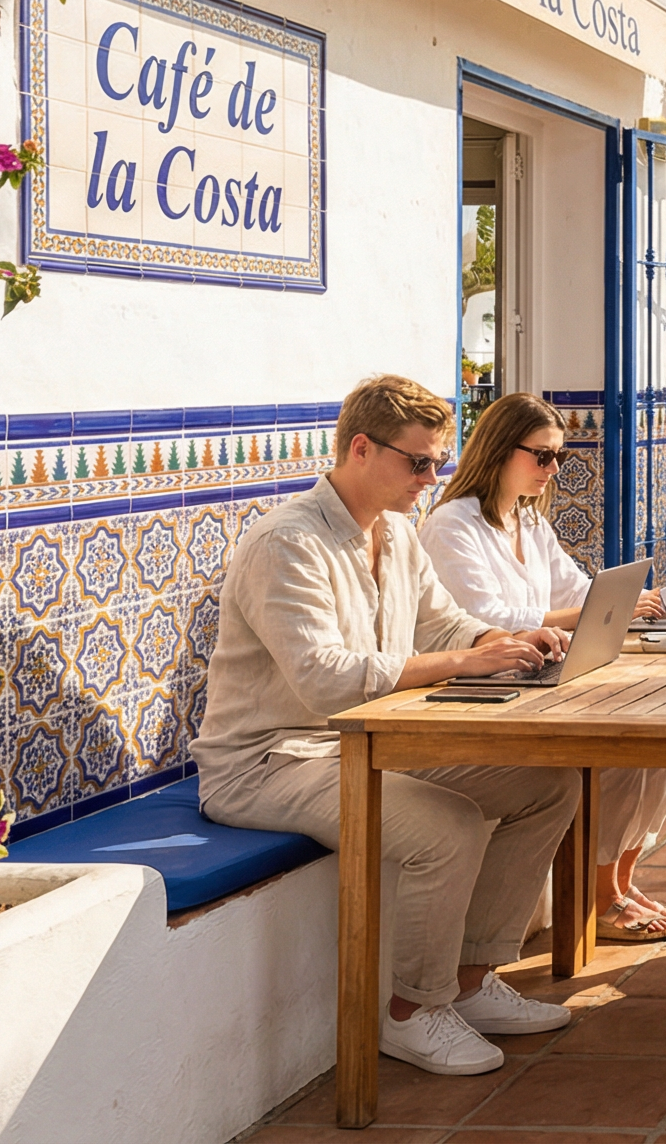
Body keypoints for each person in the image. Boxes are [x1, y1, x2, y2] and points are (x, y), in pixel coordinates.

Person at [195, 375, 580, 1078]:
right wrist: (465, 658)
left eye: (438, 462)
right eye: (420, 463)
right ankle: (410, 1011)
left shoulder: (397, 535)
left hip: (362, 746)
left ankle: (468, 981)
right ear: (362, 449)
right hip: (270, 762)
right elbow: (323, 677)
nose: (434, 479)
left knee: (546, 782)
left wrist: (513, 637)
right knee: (448, 825)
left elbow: (445, 623)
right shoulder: (287, 544)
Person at [421, 393, 666, 944]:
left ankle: (619, 879)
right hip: (485, 686)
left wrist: (627, 599)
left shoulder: (527, 521)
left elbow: (577, 589)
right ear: (499, 450)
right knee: (619, 748)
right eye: (542, 456)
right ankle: (597, 893)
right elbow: (488, 617)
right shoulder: (453, 526)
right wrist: (596, 609)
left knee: (663, 741)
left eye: (557, 456)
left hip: (537, 677)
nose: (554, 469)